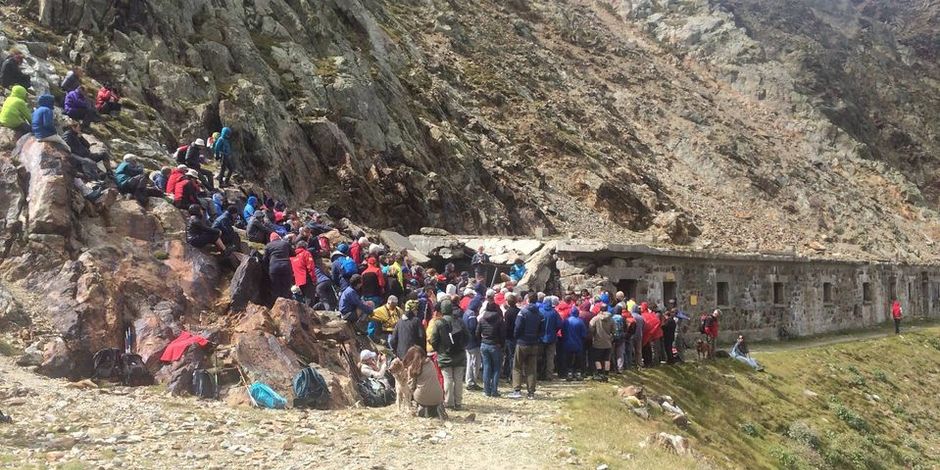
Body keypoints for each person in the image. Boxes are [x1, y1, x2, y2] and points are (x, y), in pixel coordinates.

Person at [429, 300, 467, 410]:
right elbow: (467, 337)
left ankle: (449, 402)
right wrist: (462, 347)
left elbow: (433, 340)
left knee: (448, 379)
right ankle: (458, 402)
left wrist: (439, 349)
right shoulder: (459, 321)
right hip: (459, 354)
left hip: (444, 355)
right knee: (458, 380)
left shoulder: (439, 323)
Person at [509, 292, 544, 399]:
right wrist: (537, 337)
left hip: (522, 342)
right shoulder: (540, 314)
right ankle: (531, 392)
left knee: (517, 367)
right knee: (532, 368)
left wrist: (517, 337)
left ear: (528, 299)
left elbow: (518, 327)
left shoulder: (522, 313)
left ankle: (517, 390)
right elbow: (542, 330)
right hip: (534, 343)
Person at [404, 346, 445, 418]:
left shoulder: (413, 368)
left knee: (416, 392)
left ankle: (421, 408)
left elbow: (411, 387)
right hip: (439, 396)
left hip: (422, 396)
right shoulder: (431, 363)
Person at [477, 300, 505, 397]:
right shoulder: (499, 319)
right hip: (495, 345)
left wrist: (482, 340)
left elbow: (477, 332)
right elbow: (502, 334)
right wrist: (501, 344)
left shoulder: (482, 319)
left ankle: (486, 390)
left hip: (484, 344)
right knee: (497, 367)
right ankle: (494, 390)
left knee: (486, 367)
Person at [263, 232, 293, 300]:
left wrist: (267, 270)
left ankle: (276, 305)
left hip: (274, 267)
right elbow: (293, 253)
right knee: (286, 287)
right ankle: (287, 304)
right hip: (286, 266)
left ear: (271, 239)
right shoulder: (285, 243)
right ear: (279, 237)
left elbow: (265, 259)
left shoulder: (268, 245)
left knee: (275, 287)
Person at [561, 307, 588, 381]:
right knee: (578, 359)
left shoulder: (566, 321)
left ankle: (569, 372)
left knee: (568, 358)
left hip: (567, 343)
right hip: (578, 344)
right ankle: (578, 373)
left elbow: (562, 331)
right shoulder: (580, 321)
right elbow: (584, 334)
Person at [290, 240, 319, 306]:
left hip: (298, 280)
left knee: (303, 298)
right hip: (306, 278)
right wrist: (314, 279)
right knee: (309, 299)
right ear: (305, 246)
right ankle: (309, 314)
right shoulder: (306, 253)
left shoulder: (292, 256)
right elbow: (310, 266)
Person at [539, 296, 562, 380]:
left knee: (540, 356)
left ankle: (540, 374)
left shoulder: (540, 311)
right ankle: (549, 375)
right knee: (550, 357)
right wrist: (554, 331)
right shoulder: (554, 312)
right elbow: (559, 324)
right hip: (552, 337)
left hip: (541, 338)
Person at [589, 305, 614, 381]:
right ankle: (606, 375)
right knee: (607, 359)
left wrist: (593, 334)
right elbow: (614, 330)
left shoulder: (595, 319)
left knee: (597, 358)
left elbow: (591, 327)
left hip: (598, 342)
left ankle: (599, 374)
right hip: (608, 342)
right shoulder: (611, 319)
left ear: (600, 310)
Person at [463, 298, 482, 392]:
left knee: (469, 363)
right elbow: (473, 328)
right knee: (475, 363)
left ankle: (469, 381)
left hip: (467, 342)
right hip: (473, 343)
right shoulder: (472, 315)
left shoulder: (466, 313)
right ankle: (472, 382)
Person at [502, 292, 520, 380]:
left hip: (509, 337)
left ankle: (510, 374)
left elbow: (507, 326)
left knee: (510, 356)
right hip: (517, 336)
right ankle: (509, 373)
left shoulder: (508, 313)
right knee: (513, 356)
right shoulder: (519, 311)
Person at [641, 302, 662, 367]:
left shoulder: (643, 315)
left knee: (650, 349)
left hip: (648, 334)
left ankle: (652, 363)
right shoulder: (652, 314)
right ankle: (653, 362)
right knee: (653, 349)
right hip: (654, 334)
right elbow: (657, 322)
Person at [610, 306, 627, 372]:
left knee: (612, 353)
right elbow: (625, 328)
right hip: (621, 337)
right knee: (620, 354)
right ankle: (620, 368)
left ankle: (613, 368)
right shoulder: (622, 318)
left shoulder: (612, 318)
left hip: (613, 337)